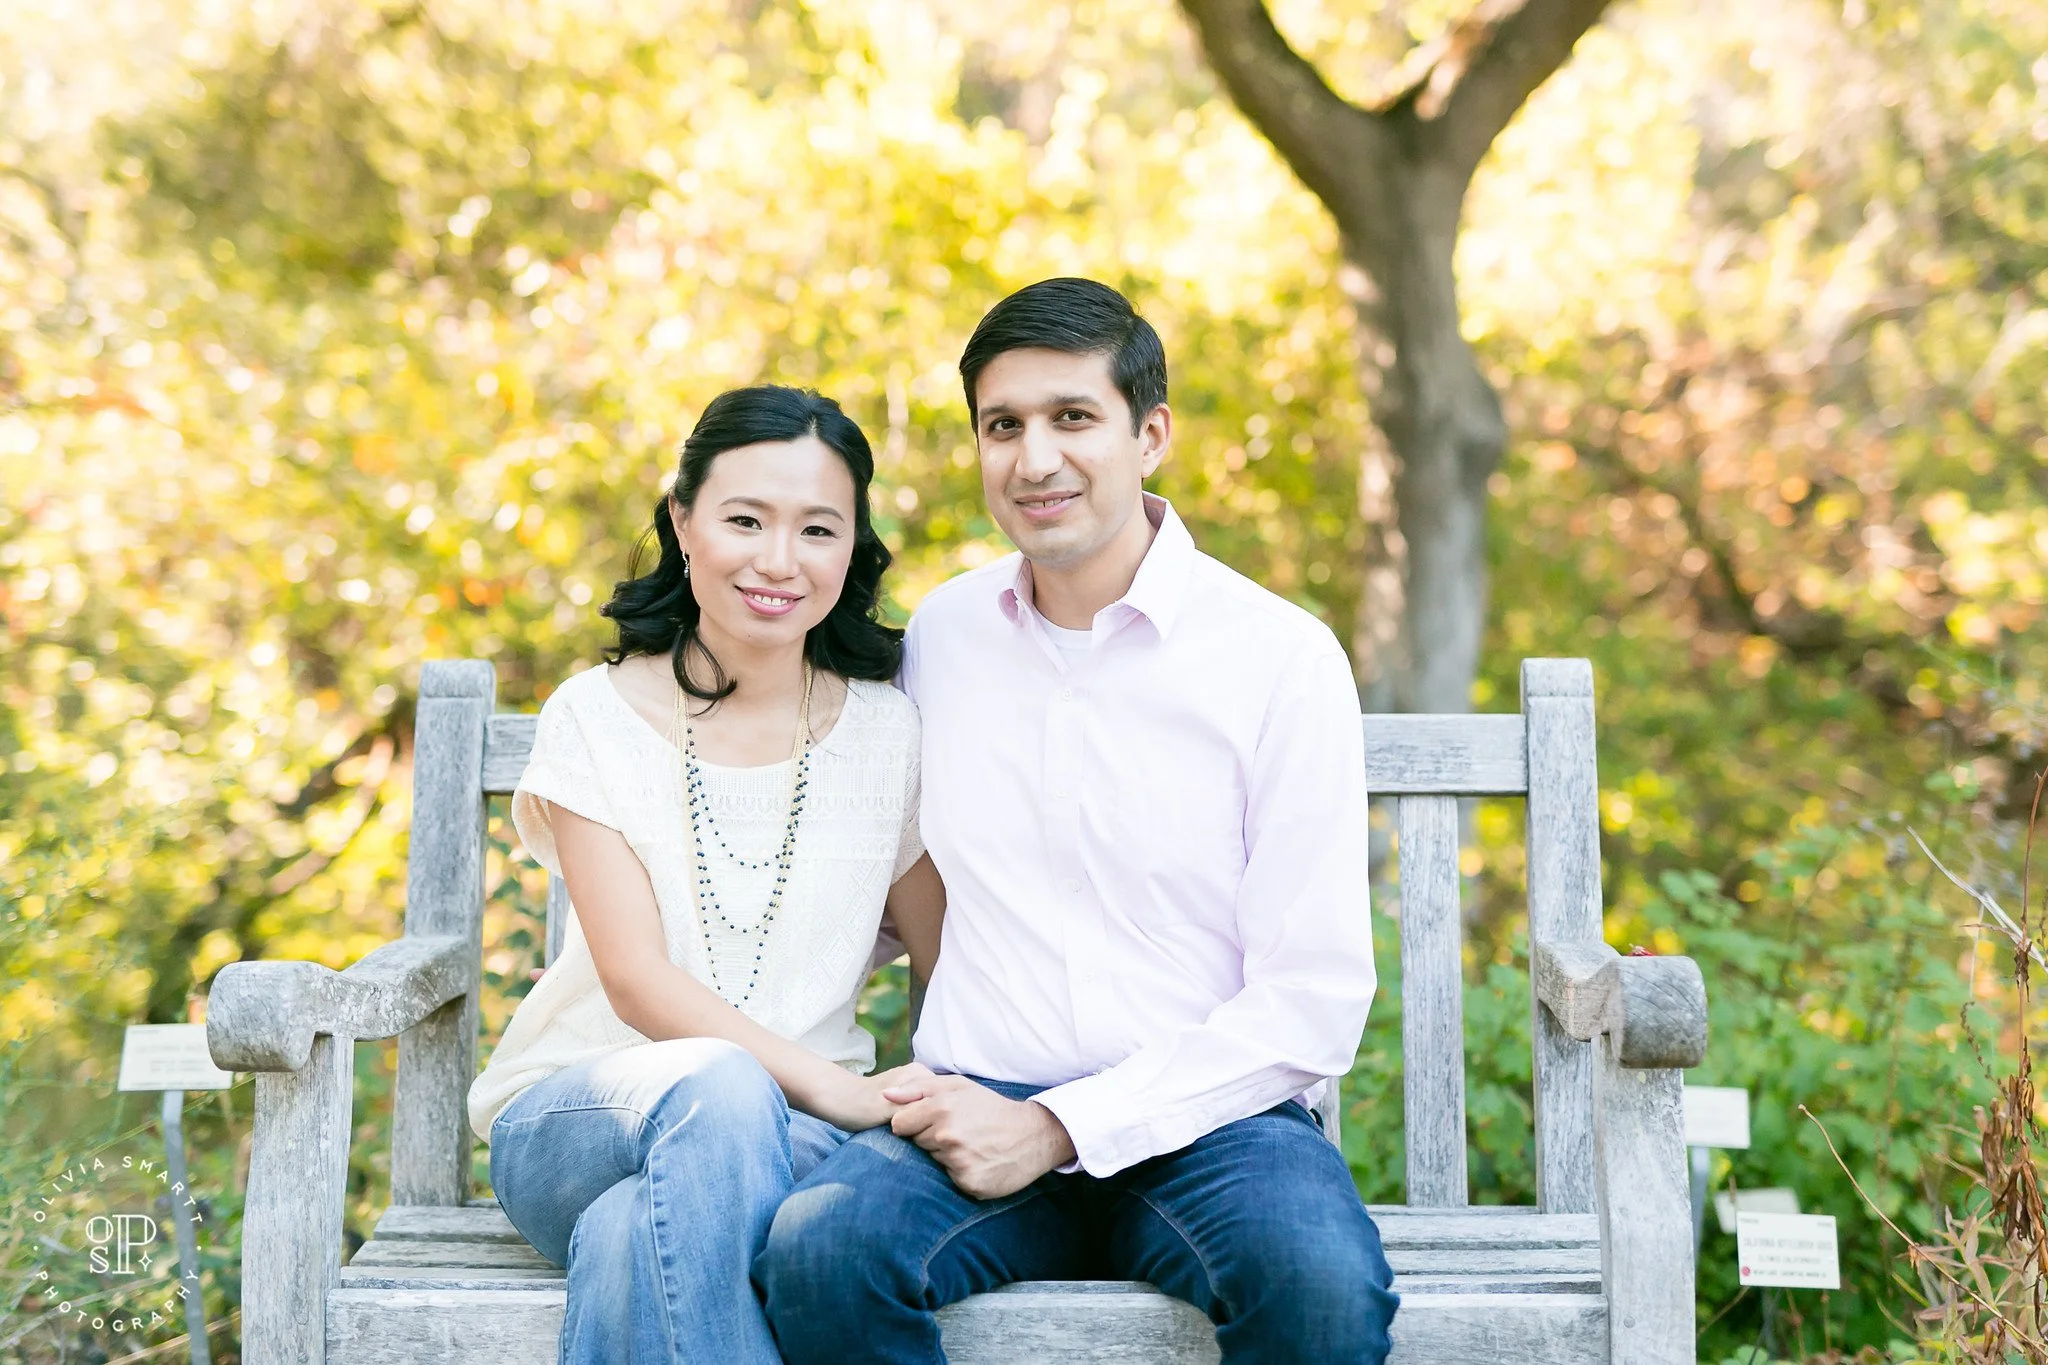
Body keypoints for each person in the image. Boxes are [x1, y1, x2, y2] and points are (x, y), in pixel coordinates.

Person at [754, 279, 1399, 1363]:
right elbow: (869, 879)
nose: (1033, 459)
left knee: (1321, 1290)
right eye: (1001, 426)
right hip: (976, 1096)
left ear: (1149, 434)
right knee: (822, 1251)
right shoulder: (942, 638)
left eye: (1071, 418)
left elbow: (1311, 998)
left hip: (1211, 1121)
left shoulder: (1275, 658)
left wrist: (1057, 1128)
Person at [466, 385, 944, 1364]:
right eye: (743, 520)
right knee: (717, 1086)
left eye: (817, 528)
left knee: (625, 1240)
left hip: (800, 1135)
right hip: (577, 1113)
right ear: (683, 523)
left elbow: (947, 961)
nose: (778, 560)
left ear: (853, 548)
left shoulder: (887, 734)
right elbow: (637, 986)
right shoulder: (592, 718)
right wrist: (847, 1093)